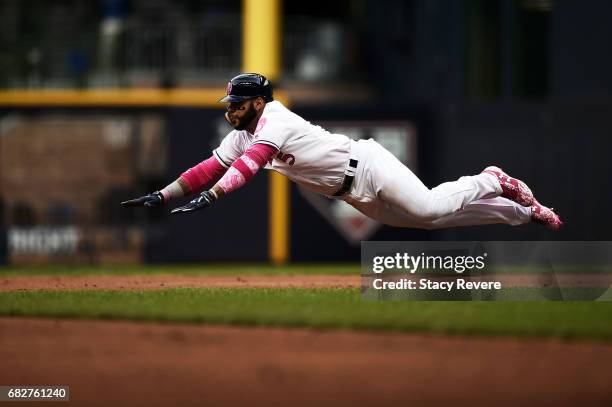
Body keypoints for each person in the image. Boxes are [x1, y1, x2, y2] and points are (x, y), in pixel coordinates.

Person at [121, 73, 563, 231]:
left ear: (257, 102)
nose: (230, 110)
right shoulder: (241, 133)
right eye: (229, 104)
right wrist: (162, 195)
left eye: (236, 103)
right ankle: (522, 214)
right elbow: (208, 168)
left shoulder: (275, 118)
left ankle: (490, 179)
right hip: (351, 194)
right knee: (432, 223)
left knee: (429, 208)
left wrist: (213, 198)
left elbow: (250, 166)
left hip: (367, 165)